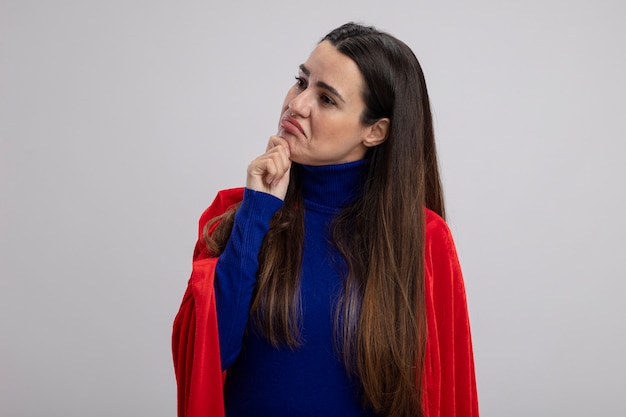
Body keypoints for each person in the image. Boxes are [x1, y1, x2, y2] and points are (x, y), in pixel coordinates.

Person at [172, 22, 479, 417]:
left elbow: (448, 394)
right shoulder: (236, 215)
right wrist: (256, 212)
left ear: (375, 131)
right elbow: (208, 357)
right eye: (301, 82)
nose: (297, 105)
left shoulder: (423, 239)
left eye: (327, 99)